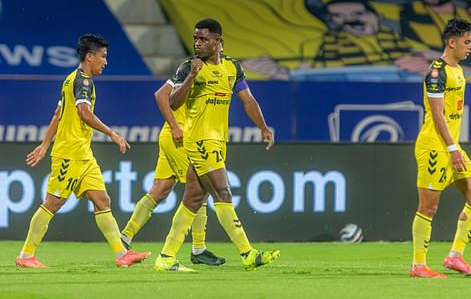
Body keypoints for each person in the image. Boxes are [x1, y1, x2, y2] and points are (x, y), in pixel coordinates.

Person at [153, 18, 280, 271]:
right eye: (195, 39)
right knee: (223, 194)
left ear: (217, 41)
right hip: (200, 141)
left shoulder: (233, 68)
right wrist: (191, 77)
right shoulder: (188, 68)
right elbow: (174, 102)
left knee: (193, 199)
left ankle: (166, 257)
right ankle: (248, 253)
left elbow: (248, 101)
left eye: (203, 39)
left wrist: (263, 127)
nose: (197, 43)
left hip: (218, 140)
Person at [16, 34, 151, 268]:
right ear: (90, 57)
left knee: (102, 199)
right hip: (70, 152)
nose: (105, 62)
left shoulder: (70, 79)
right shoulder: (83, 81)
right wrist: (112, 133)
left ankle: (122, 254)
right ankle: (26, 255)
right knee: (54, 202)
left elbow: (58, 114)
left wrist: (45, 144)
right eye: (103, 56)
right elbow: (83, 113)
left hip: (83, 153)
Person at [120, 78, 225, 266]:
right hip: (179, 137)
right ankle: (198, 249)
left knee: (159, 190)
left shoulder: (206, 73)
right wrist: (176, 126)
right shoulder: (191, 71)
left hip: (171, 135)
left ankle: (125, 237)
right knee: (199, 190)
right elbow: (160, 95)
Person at [410, 18, 471, 278]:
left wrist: (455, 148)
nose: (470, 47)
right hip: (435, 147)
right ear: (451, 42)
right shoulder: (437, 72)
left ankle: (455, 256)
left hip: (452, 147)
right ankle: (418, 265)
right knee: (428, 208)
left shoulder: (458, 70)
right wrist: (453, 149)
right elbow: (438, 115)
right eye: (466, 42)